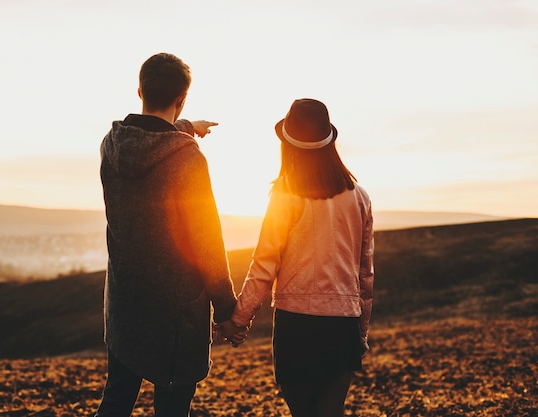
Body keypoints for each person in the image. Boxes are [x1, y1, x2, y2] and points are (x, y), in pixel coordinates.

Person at [95, 52, 237, 417]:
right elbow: (206, 240)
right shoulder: (188, 160)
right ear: (182, 98)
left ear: (139, 90)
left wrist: (186, 126)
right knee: (172, 409)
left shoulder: (111, 147)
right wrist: (225, 307)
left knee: (116, 399)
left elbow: (151, 141)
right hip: (175, 312)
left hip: (125, 304)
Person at [218, 98, 374, 417]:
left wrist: (238, 319)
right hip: (343, 324)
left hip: (298, 324)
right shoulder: (359, 197)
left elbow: (264, 265)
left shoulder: (285, 195)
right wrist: (360, 332)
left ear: (288, 147)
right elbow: (365, 275)